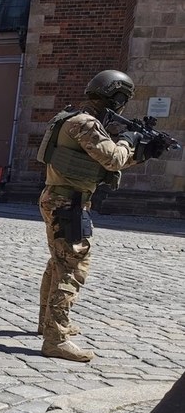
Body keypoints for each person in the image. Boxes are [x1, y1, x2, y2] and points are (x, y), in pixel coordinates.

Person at [36, 69, 163, 362]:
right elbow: (114, 157)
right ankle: (55, 338)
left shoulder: (74, 118)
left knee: (59, 262)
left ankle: (49, 325)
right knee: (73, 268)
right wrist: (130, 140)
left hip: (61, 198)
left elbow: (106, 165)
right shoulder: (86, 124)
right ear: (116, 96)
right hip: (67, 202)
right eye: (122, 100)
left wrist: (144, 153)